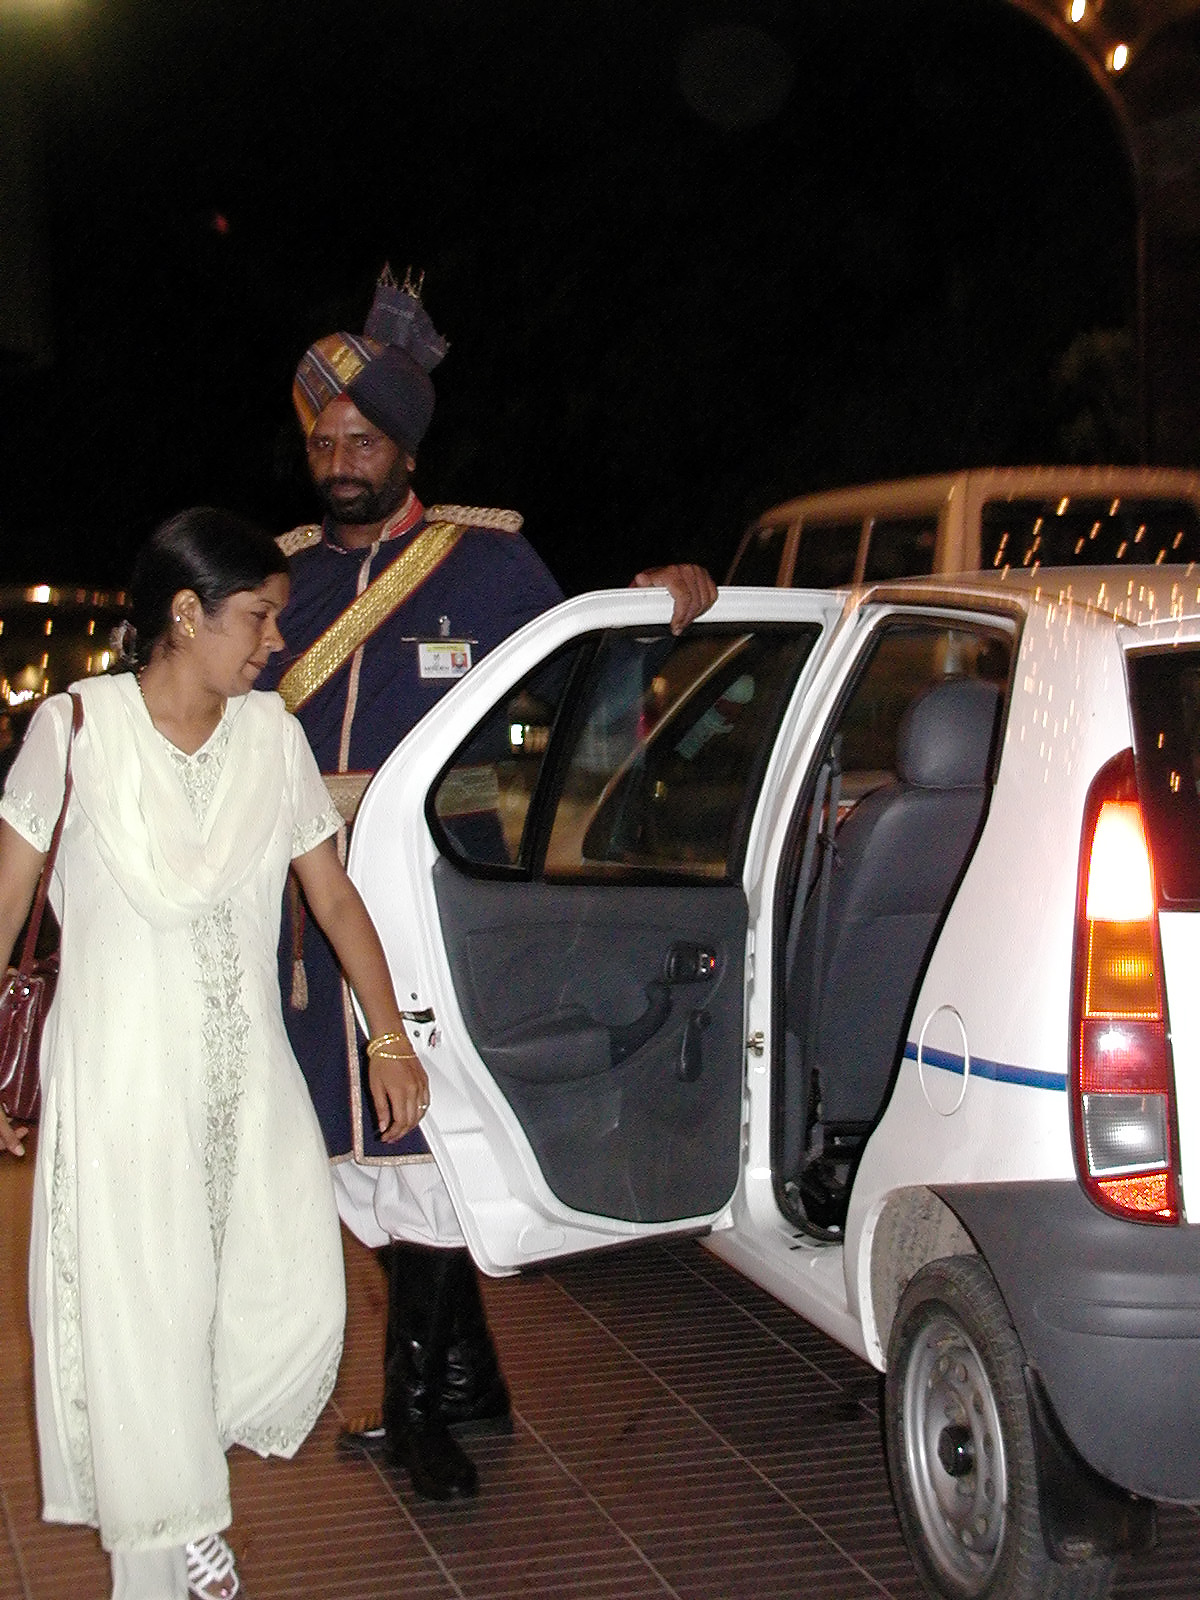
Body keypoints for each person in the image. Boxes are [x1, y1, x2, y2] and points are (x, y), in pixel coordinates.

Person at [262, 268, 717, 1504]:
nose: (340, 457)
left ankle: (417, 1411)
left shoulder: (488, 562)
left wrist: (658, 609)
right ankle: (469, 1380)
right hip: (307, 913)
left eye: (363, 437)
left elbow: (582, 688)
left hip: (439, 902)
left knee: (425, 1135)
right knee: (361, 1145)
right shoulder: (283, 581)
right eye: (322, 439)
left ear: (407, 445)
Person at [0, 507, 428, 1600]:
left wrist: (389, 1032)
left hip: (247, 1076)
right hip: (121, 1078)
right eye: (260, 619)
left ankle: (184, 1490)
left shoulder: (271, 738)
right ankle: (181, 1528)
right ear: (185, 617)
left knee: (284, 1294)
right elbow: (4, 900)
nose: (275, 642)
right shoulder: (78, 730)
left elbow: (330, 893)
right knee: (141, 1306)